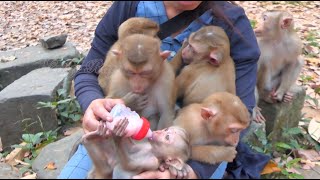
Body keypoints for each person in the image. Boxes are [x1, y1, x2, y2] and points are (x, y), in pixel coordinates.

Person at [58, 1, 270, 179]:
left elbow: (240, 113)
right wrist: (93, 103)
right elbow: (90, 69)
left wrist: (190, 171)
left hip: (193, 146)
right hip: (121, 130)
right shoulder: (130, 6)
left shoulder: (231, 22)